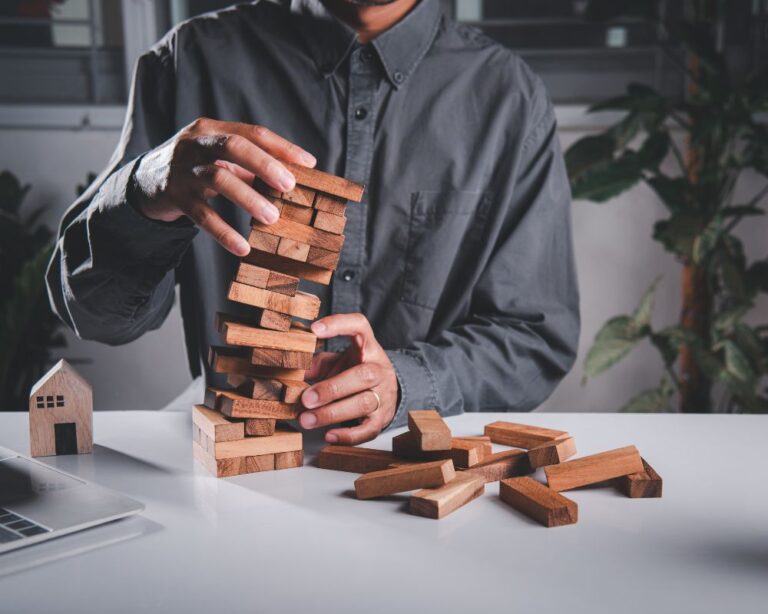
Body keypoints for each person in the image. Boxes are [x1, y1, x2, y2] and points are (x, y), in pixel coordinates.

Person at [46, 0, 580, 445]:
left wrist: (407, 382)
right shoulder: (189, 60)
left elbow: (535, 337)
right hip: (231, 460)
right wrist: (144, 188)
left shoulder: (510, 97)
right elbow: (95, 316)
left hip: (421, 470)